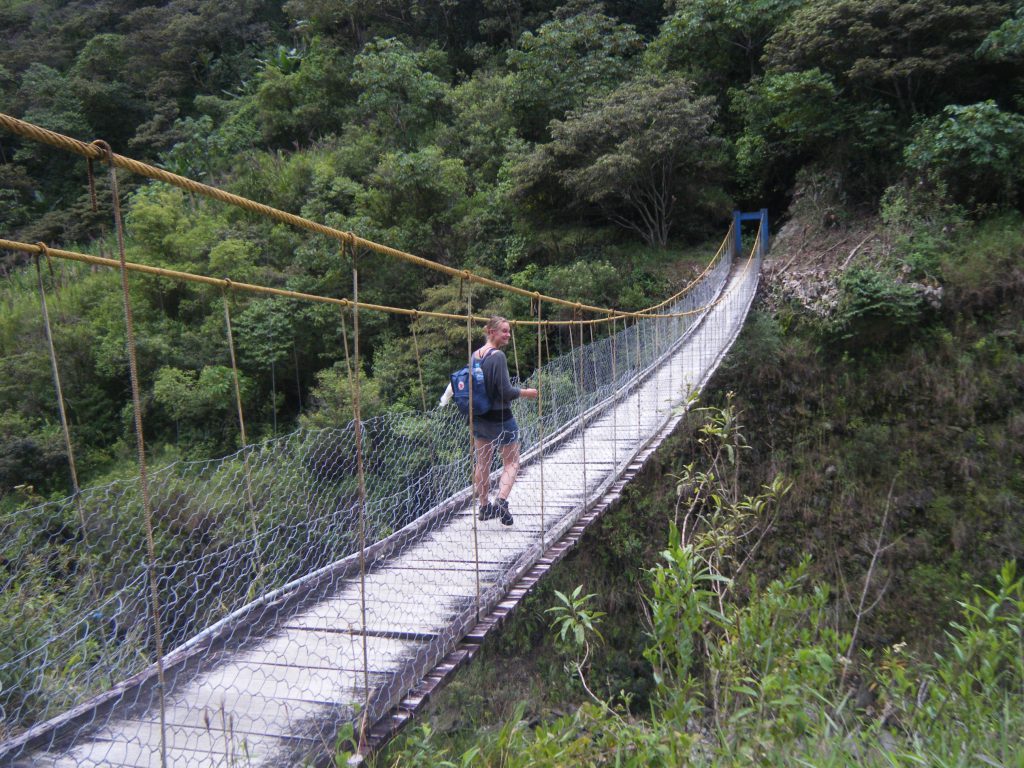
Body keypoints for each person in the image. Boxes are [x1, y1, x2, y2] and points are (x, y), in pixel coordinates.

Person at [472, 316, 538, 526]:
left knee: (483, 463)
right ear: (491, 332)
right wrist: (528, 392)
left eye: (509, 331)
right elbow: (506, 392)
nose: (508, 334)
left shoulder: (475, 355)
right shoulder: (498, 356)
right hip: (501, 417)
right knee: (512, 461)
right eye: (504, 331)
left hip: (480, 417)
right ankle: (501, 501)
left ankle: (483, 507)